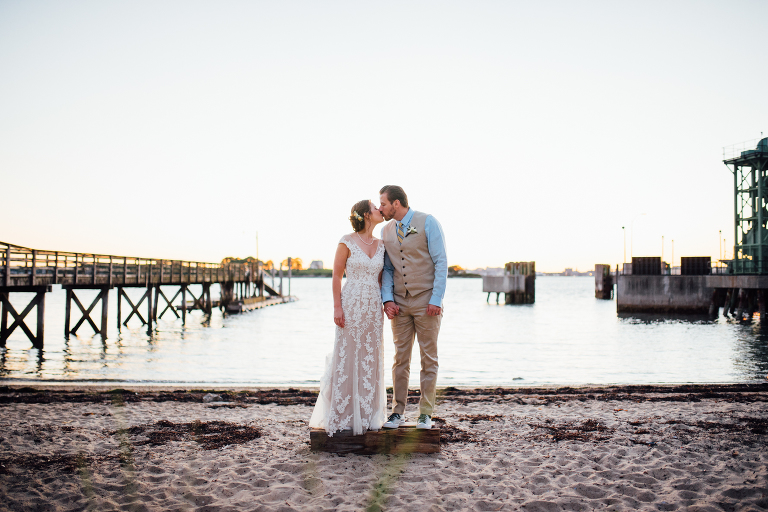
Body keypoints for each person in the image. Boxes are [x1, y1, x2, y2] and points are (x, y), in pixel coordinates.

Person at [309, 199, 387, 435]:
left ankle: (367, 413)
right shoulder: (346, 241)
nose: (380, 209)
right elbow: (336, 276)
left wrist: (387, 304)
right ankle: (343, 414)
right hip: (351, 303)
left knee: (370, 357)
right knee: (348, 354)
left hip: (373, 308)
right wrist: (337, 307)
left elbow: (382, 280)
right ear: (366, 214)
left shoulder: (382, 244)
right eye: (375, 207)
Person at [378, 185, 447, 430]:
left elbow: (441, 262)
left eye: (383, 204)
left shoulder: (428, 222)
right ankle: (397, 412)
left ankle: (425, 413)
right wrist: (387, 299)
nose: (380, 208)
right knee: (400, 359)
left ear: (396, 203)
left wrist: (436, 299)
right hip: (399, 303)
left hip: (426, 301)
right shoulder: (386, 230)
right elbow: (388, 268)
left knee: (429, 358)